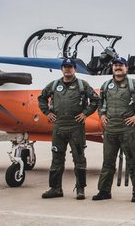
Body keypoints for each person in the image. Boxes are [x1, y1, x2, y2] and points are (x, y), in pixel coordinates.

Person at [38, 57, 99, 199]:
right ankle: (55, 188)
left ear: (74, 69)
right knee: (56, 159)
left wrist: (85, 114)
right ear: (62, 69)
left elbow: (95, 100)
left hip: (76, 127)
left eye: (70, 67)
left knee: (79, 159)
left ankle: (80, 189)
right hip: (59, 127)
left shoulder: (82, 85)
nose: (67, 69)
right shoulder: (53, 85)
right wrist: (47, 112)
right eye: (65, 67)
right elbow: (41, 98)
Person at [93, 56, 135, 202]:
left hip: (127, 129)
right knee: (108, 162)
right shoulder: (105, 85)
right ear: (112, 68)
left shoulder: (134, 85)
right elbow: (100, 103)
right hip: (110, 129)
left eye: (121, 65)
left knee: (133, 160)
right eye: (115, 65)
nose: (118, 67)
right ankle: (104, 191)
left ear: (126, 68)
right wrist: (102, 115)